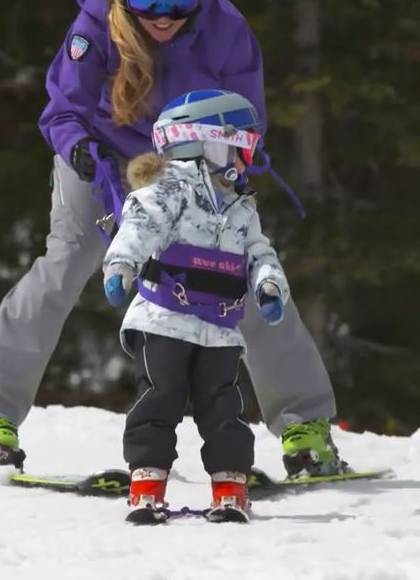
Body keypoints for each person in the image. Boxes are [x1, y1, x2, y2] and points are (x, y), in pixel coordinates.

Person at [0, 0, 343, 477]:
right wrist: (80, 150)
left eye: (178, 4)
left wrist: (229, 170)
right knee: (68, 260)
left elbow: (244, 115)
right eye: (149, 4)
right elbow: (62, 108)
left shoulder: (227, 30)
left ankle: (307, 426)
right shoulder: (93, 27)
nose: (163, 18)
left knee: (236, 269)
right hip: (99, 156)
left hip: (189, 160)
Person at [104, 89, 289, 525]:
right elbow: (140, 225)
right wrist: (120, 266)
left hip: (219, 326)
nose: (249, 157)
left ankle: (230, 489)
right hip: (164, 319)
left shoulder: (242, 207)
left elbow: (258, 252)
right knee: (159, 397)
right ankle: (147, 487)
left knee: (224, 406)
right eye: (242, 145)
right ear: (209, 142)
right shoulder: (170, 191)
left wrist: (269, 287)